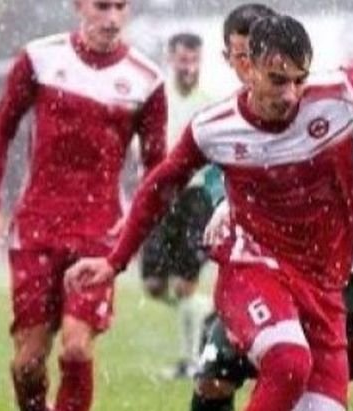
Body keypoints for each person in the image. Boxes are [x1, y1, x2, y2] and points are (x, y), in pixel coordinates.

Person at [65, 15, 353, 411]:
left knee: (347, 377)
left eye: (299, 80)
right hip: (255, 270)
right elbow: (161, 184)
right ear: (248, 68)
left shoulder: (337, 95)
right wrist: (114, 261)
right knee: (285, 362)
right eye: (278, 80)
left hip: (324, 287)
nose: (291, 94)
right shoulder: (215, 127)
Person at [191, 5, 353, 411]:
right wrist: (224, 201)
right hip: (271, 269)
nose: (247, 68)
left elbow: (319, 170)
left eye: (254, 57)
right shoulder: (226, 122)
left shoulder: (324, 101)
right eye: (239, 58)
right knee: (214, 376)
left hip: (352, 258)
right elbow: (206, 169)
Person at [0, 1, 166, 410]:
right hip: (37, 228)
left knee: (76, 347)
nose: (112, 18)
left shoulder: (146, 80)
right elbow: (1, 129)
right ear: (79, 5)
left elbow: (156, 167)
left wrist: (137, 221)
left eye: (121, 6)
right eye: (102, 6)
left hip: (99, 232)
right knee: (28, 364)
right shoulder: (39, 58)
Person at [138, 32, 216, 379]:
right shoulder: (156, 100)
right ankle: (207, 310)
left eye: (194, 60)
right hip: (159, 197)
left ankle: (190, 361)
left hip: (194, 199)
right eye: (183, 59)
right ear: (171, 59)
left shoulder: (209, 104)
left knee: (185, 283)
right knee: (154, 285)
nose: (189, 67)